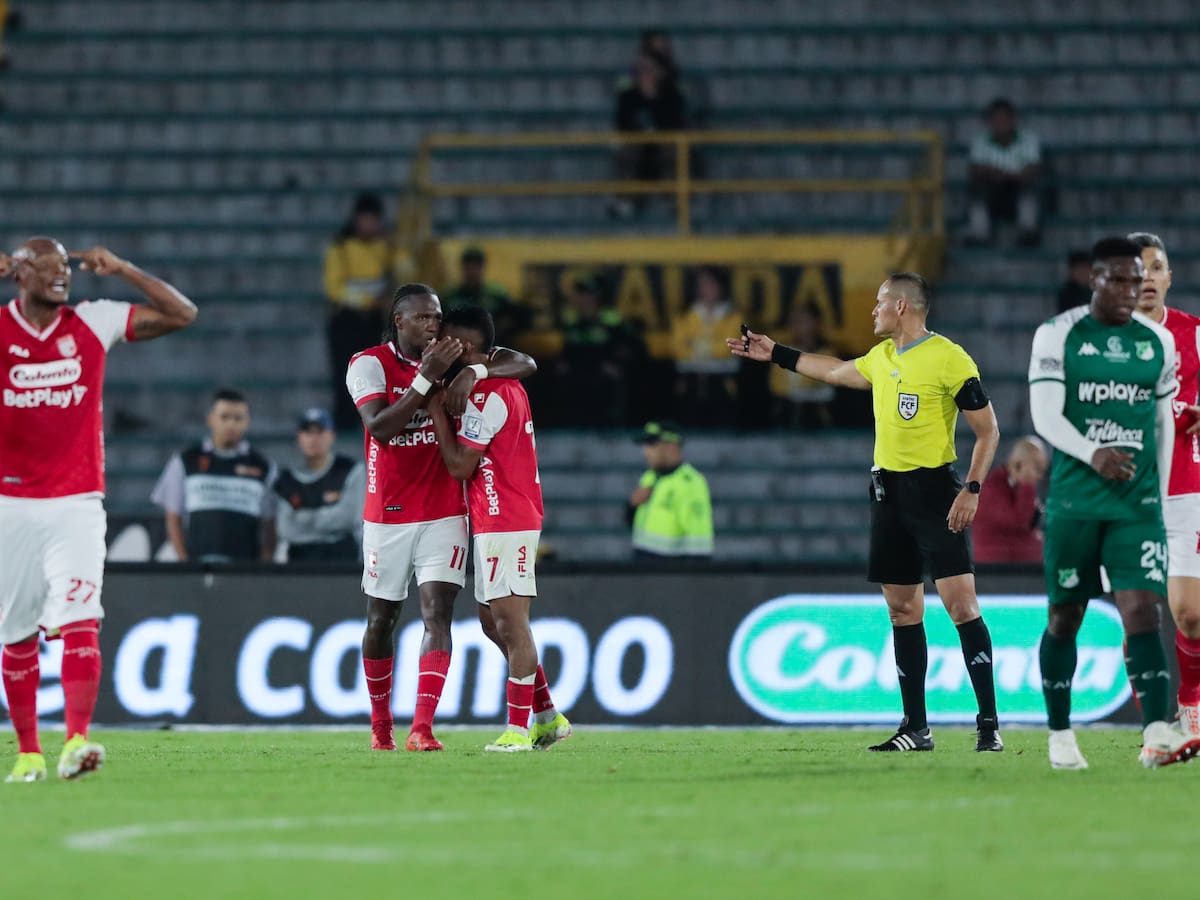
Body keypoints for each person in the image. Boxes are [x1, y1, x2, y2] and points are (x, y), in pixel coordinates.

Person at [729, 272, 1004, 753]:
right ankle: (916, 728)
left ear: (901, 306)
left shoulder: (950, 358)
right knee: (902, 610)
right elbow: (835, 371)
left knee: (961, 606)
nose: (873, 310)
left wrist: (973, 489)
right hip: (888, 493)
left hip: (936, 491)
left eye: (879, 302)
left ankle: (988, 725)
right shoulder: (883, 357)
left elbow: (988, 430)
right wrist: (776, 353)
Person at [0, 238, 197, 782]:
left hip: (77, 503)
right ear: (19, 273)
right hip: (9, 503)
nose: (61, 276)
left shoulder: (93, 321)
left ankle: (77, 743)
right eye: (46, 267)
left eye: (65, 267)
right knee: (16, 635)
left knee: (82, 620)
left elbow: (183, 313)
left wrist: (125, 269)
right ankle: (29, 754)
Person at [1028, 236, 1198, 769]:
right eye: (1120, 279)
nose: (1133, 288)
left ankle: (1158, 729)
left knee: (1143, 613)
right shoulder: (1058, 334)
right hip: (1077, 502)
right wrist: (1091, 451)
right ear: (1093, 279)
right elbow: (1045, 414)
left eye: (1139, 277)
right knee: (1064, 617)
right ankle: (1059, 732)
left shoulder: (1157, 344)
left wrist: (1159, 483)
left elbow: (1162, 425)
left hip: (1137, 504)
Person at [345, 284, 537, 752]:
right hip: (387, 513)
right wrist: (425, 382)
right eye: (424, 317)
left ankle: (423, 727)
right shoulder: (368, 364)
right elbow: (381, 429)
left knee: (439, 614)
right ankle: (381, 726)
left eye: (436, 316)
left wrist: (470, 369)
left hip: (445, 510)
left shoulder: (449, 356)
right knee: (381, 619)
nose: (434, 324)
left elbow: (524, 363)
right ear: (400, 322)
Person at [426, 305, 572, 752]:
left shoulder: (487, 396)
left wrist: (435, 411)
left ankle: (517, 730)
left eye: (446, 341)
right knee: (492, 621)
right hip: (495, 516)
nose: (437, 347)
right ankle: (547, 716)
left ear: (466, 348)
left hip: (506, 515)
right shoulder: (496, 381)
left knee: (510, 622)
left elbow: (459, 466)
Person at [1127, 231, 1200, 738]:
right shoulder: (1102, 342)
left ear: (1170, 277)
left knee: (1189, 613)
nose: (1147, 278)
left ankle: (1191, 704)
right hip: (1125, 497)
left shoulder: (1194, 335)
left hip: (1183, 491)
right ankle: (1156, 723)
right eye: (1137, 270)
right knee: (1137, 615)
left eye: (1156, 268)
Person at [151, 388, 277, 563]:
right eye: (224, 417)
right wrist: (183, 561)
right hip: (199, 568)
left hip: (246, 571)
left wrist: (264, 564)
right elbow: (172, 517)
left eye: (238, 418)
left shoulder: (263, 467)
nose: (231, 424)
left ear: (247, 422)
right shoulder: (186, 461)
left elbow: (270, 524)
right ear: (210, 419)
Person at [324, 192, 410, 431]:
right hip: (347, 318)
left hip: (375, 320)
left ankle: (374, 420)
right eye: (365, 219)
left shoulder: (387, 247)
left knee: (376, 370)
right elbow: (334, 288)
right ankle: (346, 421)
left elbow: (405, 272)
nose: (370, 225)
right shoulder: (341, 247)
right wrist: (368, 300)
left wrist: (398, 250)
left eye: (374, 219)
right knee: (345, 370)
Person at [273, 408, 366, 562]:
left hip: (343, 561)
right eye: (308, 432)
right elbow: (286, 529)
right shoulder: (286, 479)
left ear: (332, 435)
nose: (313, 439)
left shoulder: (350, 470)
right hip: (299, 563)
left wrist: (303, 518)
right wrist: (330, 524)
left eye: (320, 432)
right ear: (299, 437)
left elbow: (351, 518)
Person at [611, 48, 687, 217]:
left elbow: (676, 123)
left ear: (659, 71)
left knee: (673, 148)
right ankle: (625, 200)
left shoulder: (671, 95)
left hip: (662, 142)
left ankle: (672, 199)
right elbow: (622, 123)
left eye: (648, 68)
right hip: (638, 143)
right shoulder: (628, 96)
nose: (644, 73)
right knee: (626, 149)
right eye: (640, 69)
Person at [627, 421, 714, 559]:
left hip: (669, 574)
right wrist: (631, 506)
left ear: (671, 446)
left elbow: (700, 547)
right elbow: (637, 526)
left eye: (652, 444)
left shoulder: (690, 484)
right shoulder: (649, 477)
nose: (646, 452)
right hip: (642, 570)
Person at [965, 97, 1042, 247]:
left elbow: (1032, 170)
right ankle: (980, 234)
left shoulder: (1028, 140)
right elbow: (976, 170)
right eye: (996, 120)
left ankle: (1028, 231)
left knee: (1029, 190)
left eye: (1004, 120)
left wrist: (1002, 174)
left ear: (1013, 120)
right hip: (992, 192)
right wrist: (1004, 174)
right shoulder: (980, 141)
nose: (1000, 125)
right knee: (976, 190)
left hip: (1017, 189)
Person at [671, 266, 741, 427]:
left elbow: (728, 348)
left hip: (723, 384)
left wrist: (695, 345)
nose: (705, 289)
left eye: (710, 284)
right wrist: (712, 346)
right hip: (690, 384)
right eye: (701, 284)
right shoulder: (683, 315)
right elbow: (678, 349)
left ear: (721, 287)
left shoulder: (734, 316)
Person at [972, 436, 1048, 564]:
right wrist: (1027, 483)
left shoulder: (1017, 488)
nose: (1041, 476)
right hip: (998, 574)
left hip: (1018, 571)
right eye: (1038, 469)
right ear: (1019, 465)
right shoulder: (991, 489)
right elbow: (1020, 522)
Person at [440, 246, 529, 348]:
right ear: (462, 268)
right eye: (468, 267)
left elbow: (513, 318)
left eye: (476, 267)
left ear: (483, 268)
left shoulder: (497, 295)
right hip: (457, 347)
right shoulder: (449, 296)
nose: (472, 271)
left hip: (493, 346)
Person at [768, 303, 837, 429]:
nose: (799, 326)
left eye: (804, 321)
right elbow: (777, 388)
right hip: (788, 415)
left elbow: (827, 387)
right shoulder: (781, 352)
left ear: (817, 322)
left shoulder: (828, 352)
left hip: (820, 417)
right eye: (795, 322)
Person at [1056, 250, 1093, 315]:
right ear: (1071, 272)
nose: (1083, 273)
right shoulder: (1067, 295)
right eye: (1079, 270)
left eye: (1086, 269)